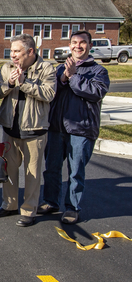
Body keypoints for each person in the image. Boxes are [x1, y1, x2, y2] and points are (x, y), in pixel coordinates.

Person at [38, 30, 110, 224]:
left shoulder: (98, 71)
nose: (78, 46)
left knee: (75, 171)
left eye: (82, 42)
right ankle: (50, 201)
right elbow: (51, 93)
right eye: (74, 42)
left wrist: (73, 77)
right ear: (69, 45)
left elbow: (95, 93)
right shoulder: (61, 69)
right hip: (56, 127)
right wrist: (63, 78)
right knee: (51, 168)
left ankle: (72, 207)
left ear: (90, 45)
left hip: (81, 129)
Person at [0, 34, 56, 227]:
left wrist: (24, 83)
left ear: (30, 52)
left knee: (32, 174)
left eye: (17, 51)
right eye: (11, 51)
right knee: (9, 171)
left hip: (35, 131)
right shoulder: (6, 68)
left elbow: (49, 94)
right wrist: (10, 84)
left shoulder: (46, 68)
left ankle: (28, 210)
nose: (13, 55)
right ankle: (9, 205)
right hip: (11, 129)